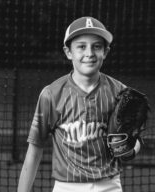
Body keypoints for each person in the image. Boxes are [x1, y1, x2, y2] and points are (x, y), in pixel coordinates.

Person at [17, 16, 141, 192]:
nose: (89, 53)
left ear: (105, 52)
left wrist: (132, 150)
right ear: (68, 52)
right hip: (67, 187)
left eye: (97, 46)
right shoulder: (51, 94)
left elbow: (137, 135)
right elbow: (34, 148)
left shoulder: (121, 93)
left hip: (109, 185)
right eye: (81, 46)